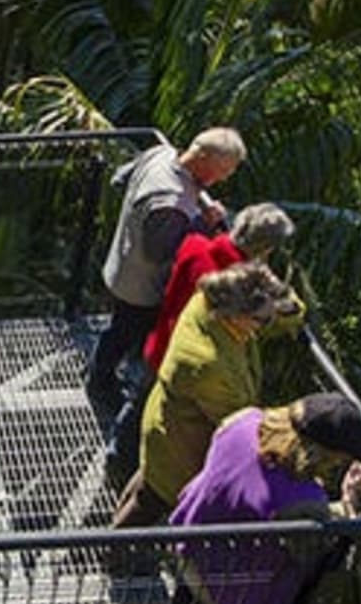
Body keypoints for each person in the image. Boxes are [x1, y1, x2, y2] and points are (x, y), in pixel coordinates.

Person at [154, 393, 361, 604]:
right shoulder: (303, 498)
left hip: (191, 534)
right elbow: (308, 548)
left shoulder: (245, 420)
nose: (338, 464)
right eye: (337, 457)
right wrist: (349, 507)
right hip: (230, 576)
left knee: (188, 590)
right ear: (319, 452)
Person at [106, 203, 296, 480]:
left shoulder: (196, 245)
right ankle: (135, 469)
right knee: (165, 421)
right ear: (265, 249)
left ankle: (117, 455)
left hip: (160, 343)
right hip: (185, 362)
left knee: (138, 403)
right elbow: (262, 320)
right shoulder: (234, 287)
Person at [111, 260, 305, 528]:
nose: (266, 325)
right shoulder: (209, 365)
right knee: (150, 500)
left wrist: (288, 307)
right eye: (262, 320)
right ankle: (113, 552)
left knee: (147, 484)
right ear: (237, 315)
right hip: (180, 447)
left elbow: (270, 310)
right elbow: (242, 424)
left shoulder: (211, 301)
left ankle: (114, 537)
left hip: (167, 427)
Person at [87, 128, 246, 419]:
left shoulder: (160, 154)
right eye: (222, 170)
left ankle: (101, 374)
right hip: (141, 288)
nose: (223, 179)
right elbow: (159, 251)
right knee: (122, 333)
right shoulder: (171, 201)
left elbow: (120, 178)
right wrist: (204, 223)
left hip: (121, 264)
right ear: (202, 156)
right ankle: (99, 383)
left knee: (118, 328)